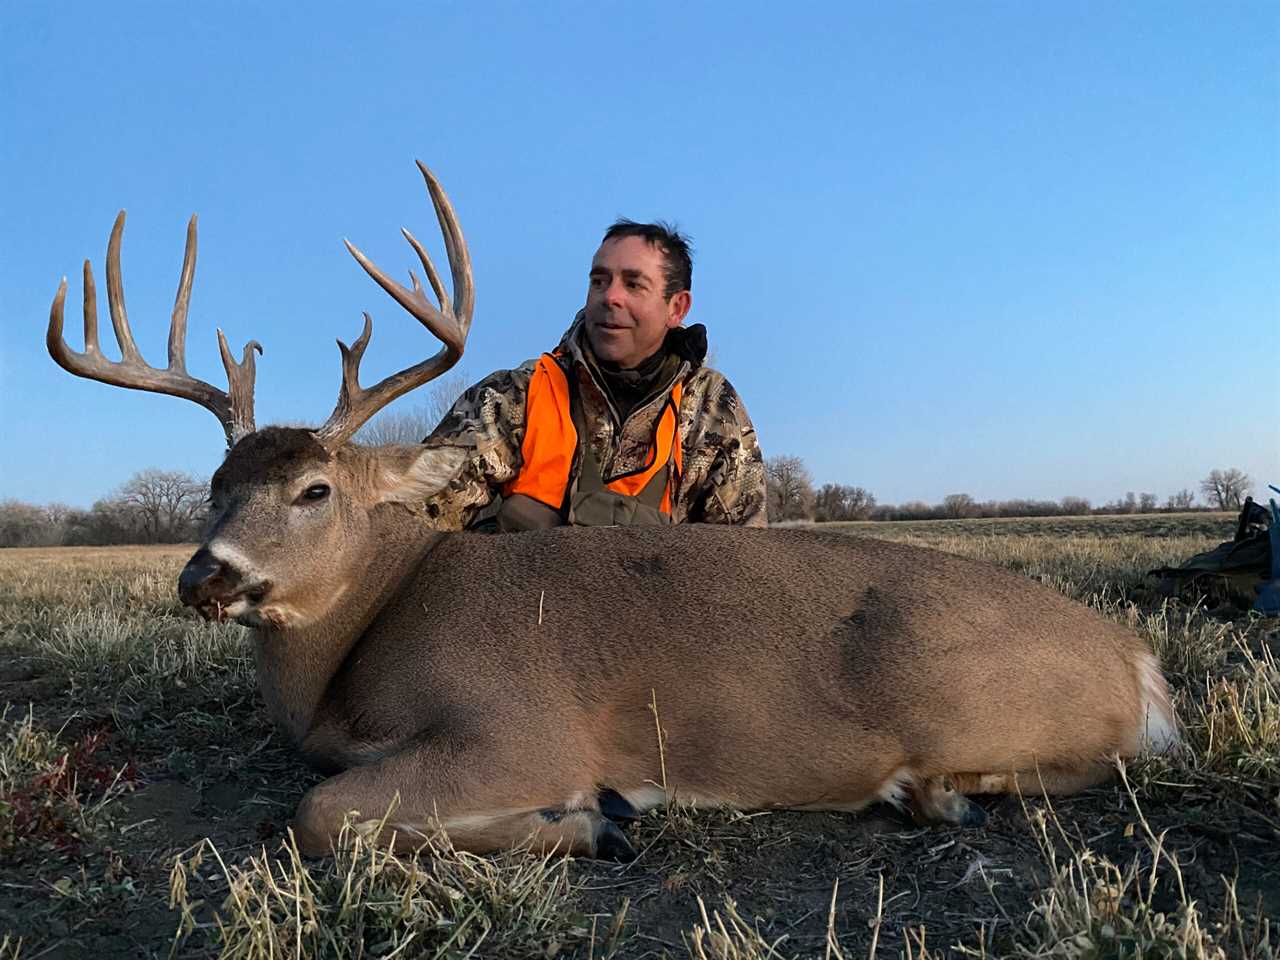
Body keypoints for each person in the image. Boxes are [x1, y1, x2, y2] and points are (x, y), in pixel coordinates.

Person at [421, 220, 767, 532]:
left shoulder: (712, 410)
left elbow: (743, 563)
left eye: (634, 284)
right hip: (525, 599)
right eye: (599, 281)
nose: (610, 296)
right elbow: (417, 518)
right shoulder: (516, 396)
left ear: (676, 308)